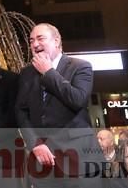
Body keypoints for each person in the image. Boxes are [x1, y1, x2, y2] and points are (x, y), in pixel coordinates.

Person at [15, 23, 103, 188]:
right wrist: (35, 143)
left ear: (56, 41)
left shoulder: (80, 66)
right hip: (44, 163)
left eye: (40, 38)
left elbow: (77, 99)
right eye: (31, 40)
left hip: (79, 160)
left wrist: (49, 72)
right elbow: (21, 111)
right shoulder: (26, 73)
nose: (34, 44)